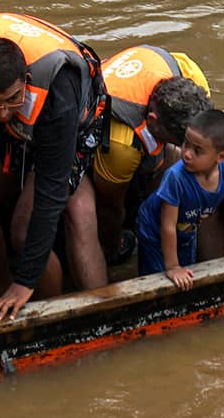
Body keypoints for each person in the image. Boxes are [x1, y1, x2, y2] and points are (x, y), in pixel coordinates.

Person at [0, 12, 107, 319]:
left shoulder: (59, 93)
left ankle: (49, 312)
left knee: (24, 232)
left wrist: (25, 283)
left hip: (68, 129)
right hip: (5, 131)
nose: (3, 111)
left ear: (27, 81)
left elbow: (51, 190)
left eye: (12, 98)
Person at [91, 46, 212, 260]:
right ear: (153, 121)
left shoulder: (189, 73)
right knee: (86, 211)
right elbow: (110, 206)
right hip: (92, 138)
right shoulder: (121, 145)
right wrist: (114, 246)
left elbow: (214, 137)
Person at [137, 109, 224, 289]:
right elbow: (168, 226)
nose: (187, 154)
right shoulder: (175, 177)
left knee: (188, 266)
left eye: (197, 150)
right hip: (154, 228)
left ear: (222, 157)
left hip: (187, 227)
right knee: (156, 276)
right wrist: (173, 267)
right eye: (186, 144)